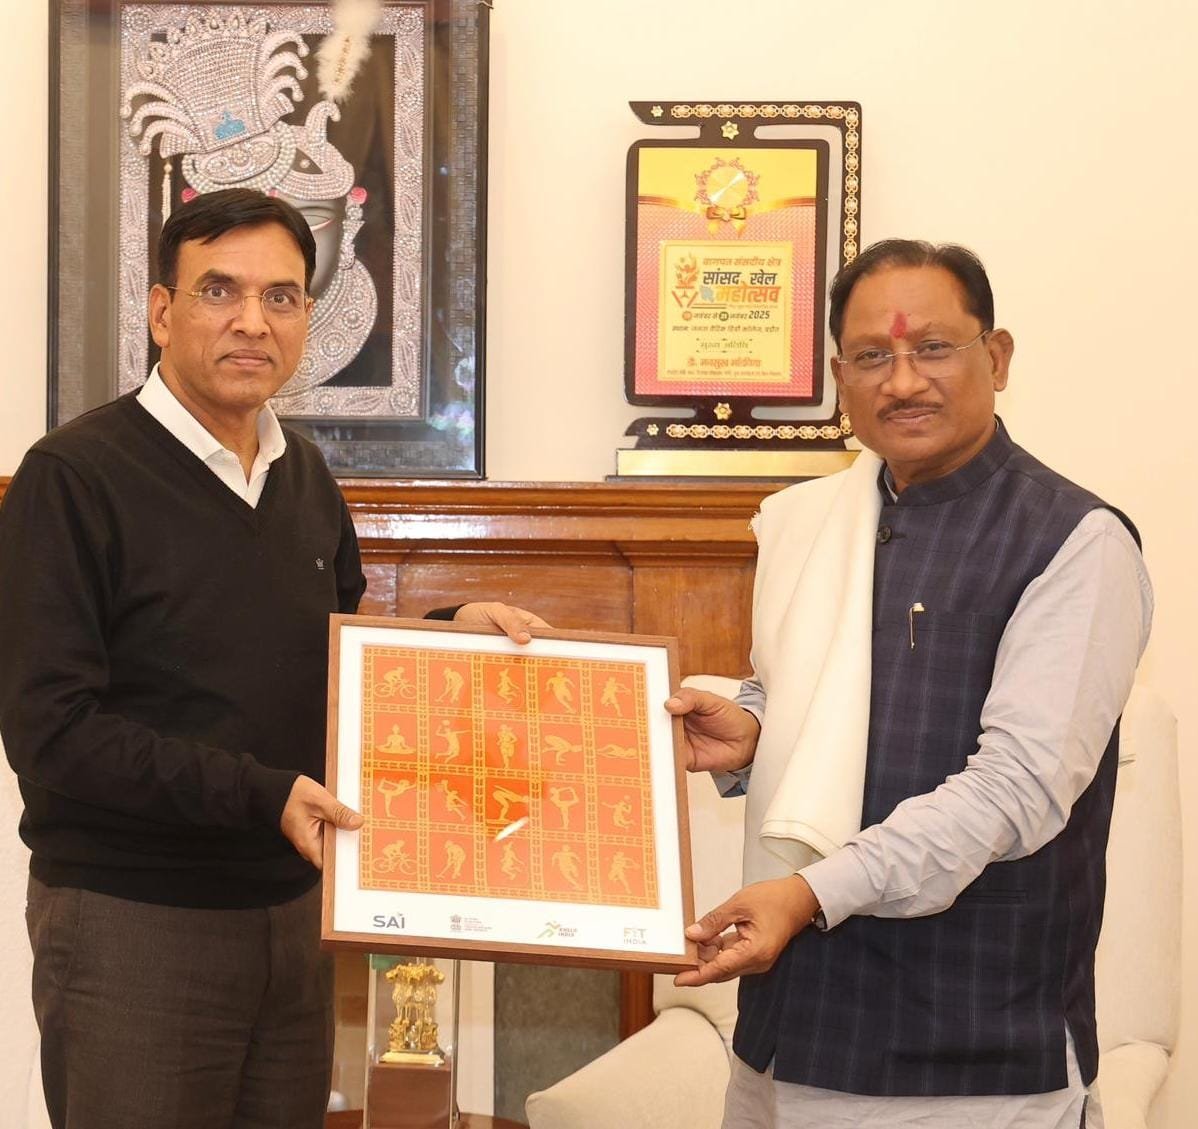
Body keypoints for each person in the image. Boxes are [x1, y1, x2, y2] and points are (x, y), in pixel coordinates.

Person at [0, 188, 544, 1129]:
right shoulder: (74, 476)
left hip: (294, 921)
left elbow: (328, 658)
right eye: (220, 290)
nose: (253, 321)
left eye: (282, 297)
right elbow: (52, 731)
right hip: (135, 924)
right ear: (162, 312)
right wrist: (262, 794)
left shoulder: (304, 477)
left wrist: (446, 637)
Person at [666, 239, 1152, 1128]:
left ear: (996, 357)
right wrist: (755, 732)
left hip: (968, 1061)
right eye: (871, 356)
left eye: (932, 347)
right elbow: (827, 696)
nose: (901, 381)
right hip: (782, 1033)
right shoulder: (816, 520)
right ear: (838, 379)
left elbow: (1015, 789)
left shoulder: (1076, 543)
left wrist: (809, 892)